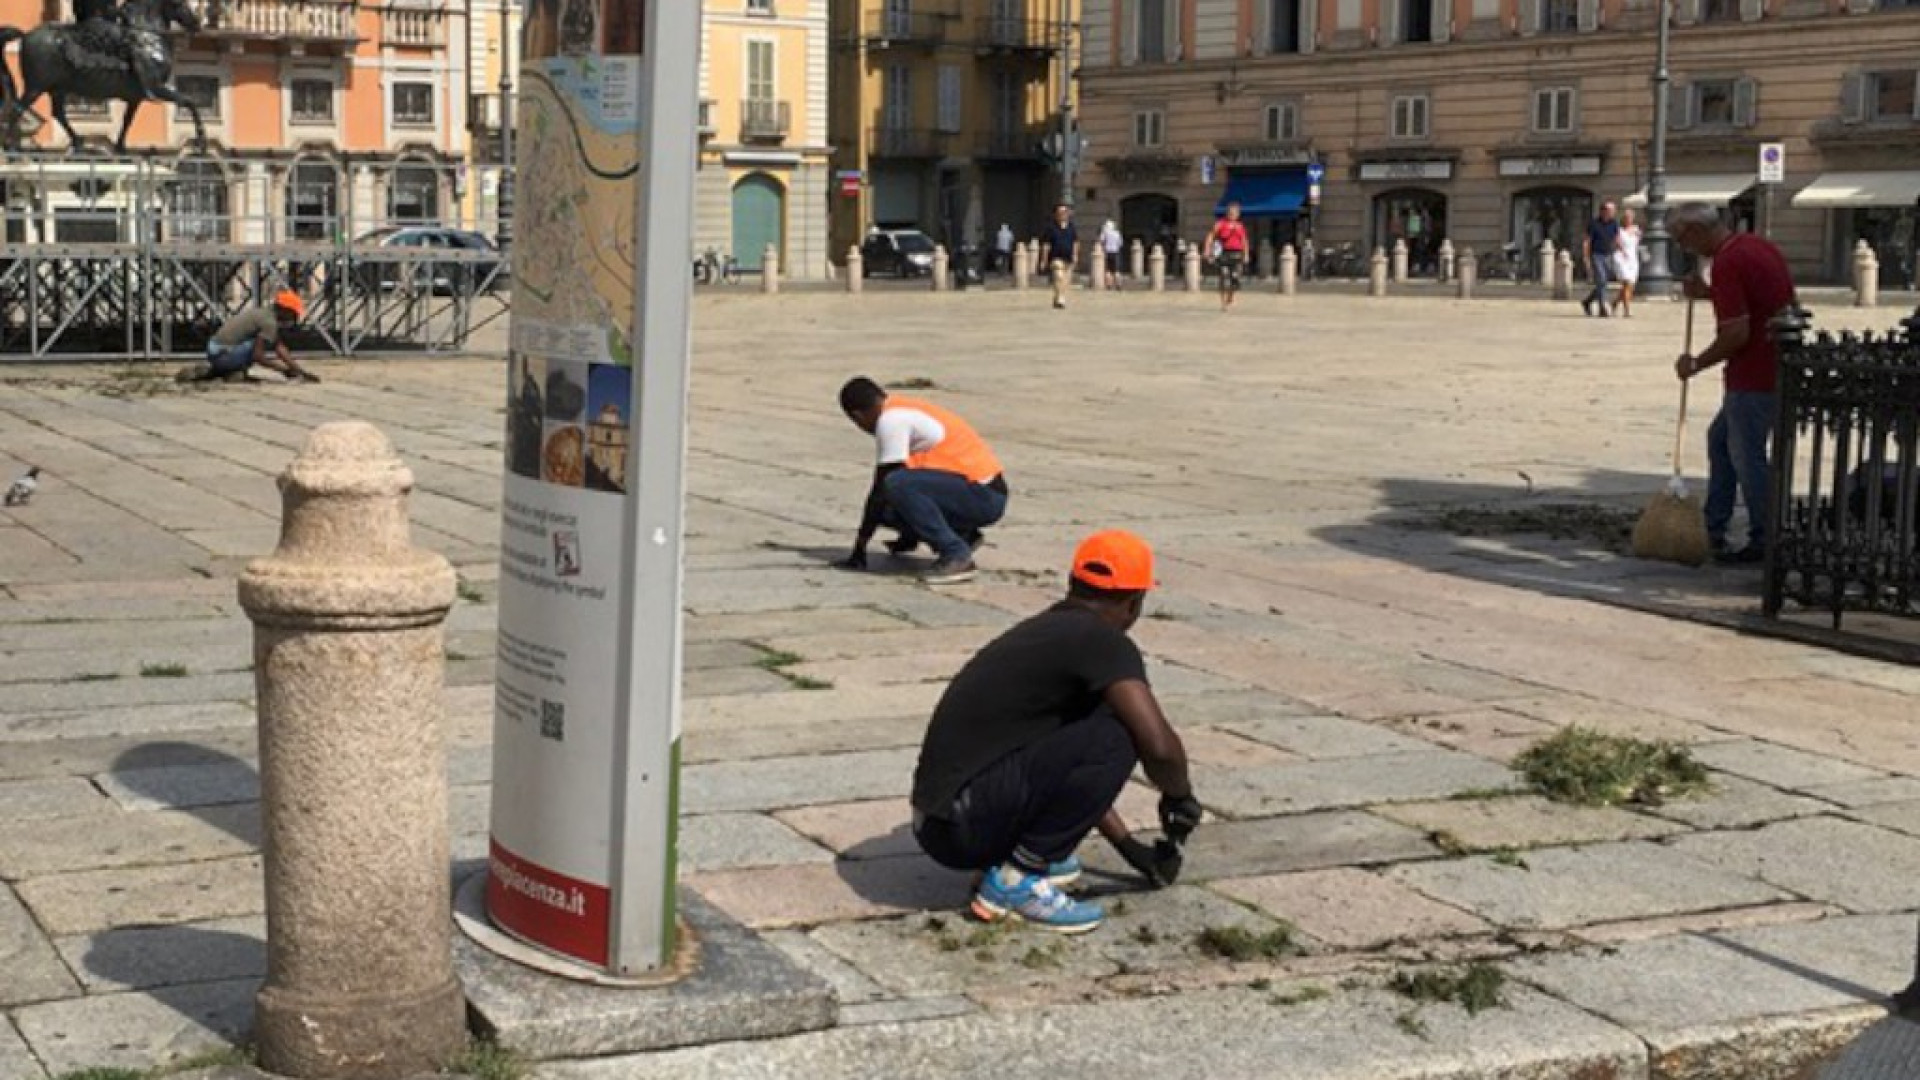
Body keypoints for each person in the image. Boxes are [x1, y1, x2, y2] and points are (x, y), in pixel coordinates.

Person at [911, 530, 1202, 933]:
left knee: (1103, 726)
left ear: (1072, 584)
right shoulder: (1102, 642)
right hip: (963, 825)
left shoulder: (1049, 630)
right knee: (1119, 731)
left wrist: (1130, 849)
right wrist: (1180, 796)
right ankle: (1016, 879)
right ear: (1135, 602)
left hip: (940, 824)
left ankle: (1020, 859)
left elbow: (1069, 770)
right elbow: (1158, 746)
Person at [1670, 202, 1797, 564]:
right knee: (1720, 441)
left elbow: (1736, 333)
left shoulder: (1727, 262)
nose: (1683, 248)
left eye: (1682, 239)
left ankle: (1766, 538)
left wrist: (1696, 363)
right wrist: (1709, 294)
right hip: (1776, 366)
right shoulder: (1756, 246)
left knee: (1747, 456)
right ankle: (1714, 526)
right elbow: (1761, 302)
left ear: (1697, 231)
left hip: (1754, 374)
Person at [835, 376, 1009, 585]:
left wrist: (860, 547)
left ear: (858, 416)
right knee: (890, 506)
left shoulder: (891, 420)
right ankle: (963, 535)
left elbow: (881, 489)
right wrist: (908, 535)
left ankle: (956, 555)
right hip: (977, 493)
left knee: (896, 484)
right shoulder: (899, 409)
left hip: (984, 496)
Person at [178, 291, 320, 383]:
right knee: (257, 344)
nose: (293, 318)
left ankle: (228, 372)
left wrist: (299, 371)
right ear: (284, 310)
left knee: (262, 341)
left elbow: (279, 347)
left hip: (216, 350)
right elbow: (258, 356)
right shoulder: (269, 323)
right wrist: (285, 371)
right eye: (293, 314)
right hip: (223, 355)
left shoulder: (263, 313)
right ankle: (224, 369)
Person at [1202, 201, 1251, 311]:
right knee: (1223, 276)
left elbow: (1244, 241)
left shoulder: (1240, 226)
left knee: (1235, 278)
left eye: (1235, 213)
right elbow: (1210, 236)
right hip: (1224, 253)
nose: (1232, 214)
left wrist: (1246, 254)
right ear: (1227, 213)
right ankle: (1223, 302)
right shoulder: (1220, 224)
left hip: (1237, 254)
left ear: (1238, 214)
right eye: (1230, 212)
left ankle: (1230, 297)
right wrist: (1207, 250)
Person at [1581, 201, 1620, 318]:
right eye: (1610, 210)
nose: (1613, 212)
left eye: (1613, 210)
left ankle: (1587, 301)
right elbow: (1587, 240)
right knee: (1602, 279)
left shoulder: (1614, 223)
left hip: (1608, 254)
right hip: (1596, 254)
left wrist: (1619, 251)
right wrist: (1586, 257)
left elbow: (1616, 238)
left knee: (1603, 282)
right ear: (1603, 211)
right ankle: (1602, 307)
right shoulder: (1594, 224)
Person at [1037, 203, 1078, 310]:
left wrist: (1075, 255)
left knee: (1065, 281)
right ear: (1056, 214)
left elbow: (1075, 242)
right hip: (1055, 257)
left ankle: (1058, 297)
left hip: (1068, 257)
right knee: (1058, 276)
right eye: (1060, 212)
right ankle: (1061, 299)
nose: (1063, 214)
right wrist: (1043, 260)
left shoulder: (1071, 227)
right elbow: (1046, 245)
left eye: (1065, 212)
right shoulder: (1050, 228)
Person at [1611, 207, 1642, 318]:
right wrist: (1622, 250)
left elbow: (1638, 243)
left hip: (1633, 258)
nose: (1628, 219)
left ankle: (1615, 302)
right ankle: (1627, 310)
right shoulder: (1618, 230)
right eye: (1626, 217)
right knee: (1627, 283)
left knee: (1630, 286)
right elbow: (1616, 242)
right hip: (1621, 257)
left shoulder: (1636, 230)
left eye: (1630, 217)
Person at [1100, 219, 1124, 290]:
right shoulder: (1117, 233)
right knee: (1116, 270)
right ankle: (1118, 285)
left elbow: (1101, 241)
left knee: (1108, 270)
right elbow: (1120, 243)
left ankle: (1109, 285)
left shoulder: (1105, 233)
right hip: (1115, 252)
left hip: (1107, 252)